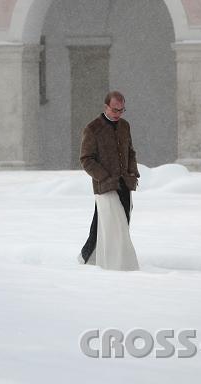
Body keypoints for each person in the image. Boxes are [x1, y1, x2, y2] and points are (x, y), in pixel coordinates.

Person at [77, 90, 140, 271]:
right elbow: (86, 159)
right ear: (106, 107)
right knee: (114, 224)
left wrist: (132, 171)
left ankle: (88, 257)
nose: (118, 114)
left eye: (121, 110)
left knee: (118, 222)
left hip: (125, 183)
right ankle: (118, 265)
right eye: (115, 110)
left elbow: (130, 152)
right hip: (104, 185)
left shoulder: (125, 126)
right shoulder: (92, 129)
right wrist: (104, 176)